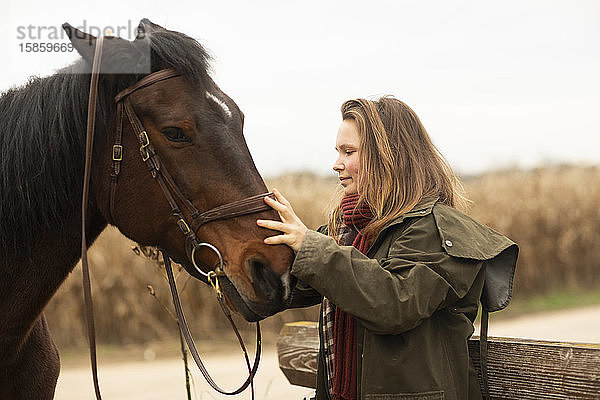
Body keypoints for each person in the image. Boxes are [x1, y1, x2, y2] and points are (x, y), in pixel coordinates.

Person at [256, 97, 518, 400]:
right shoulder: (350, 230)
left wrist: (309, 246)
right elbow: (284, 285)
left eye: (349, 151)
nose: (336, 163)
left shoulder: (437, 230)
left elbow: (394, 301)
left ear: (388, 157)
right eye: (338, 151)